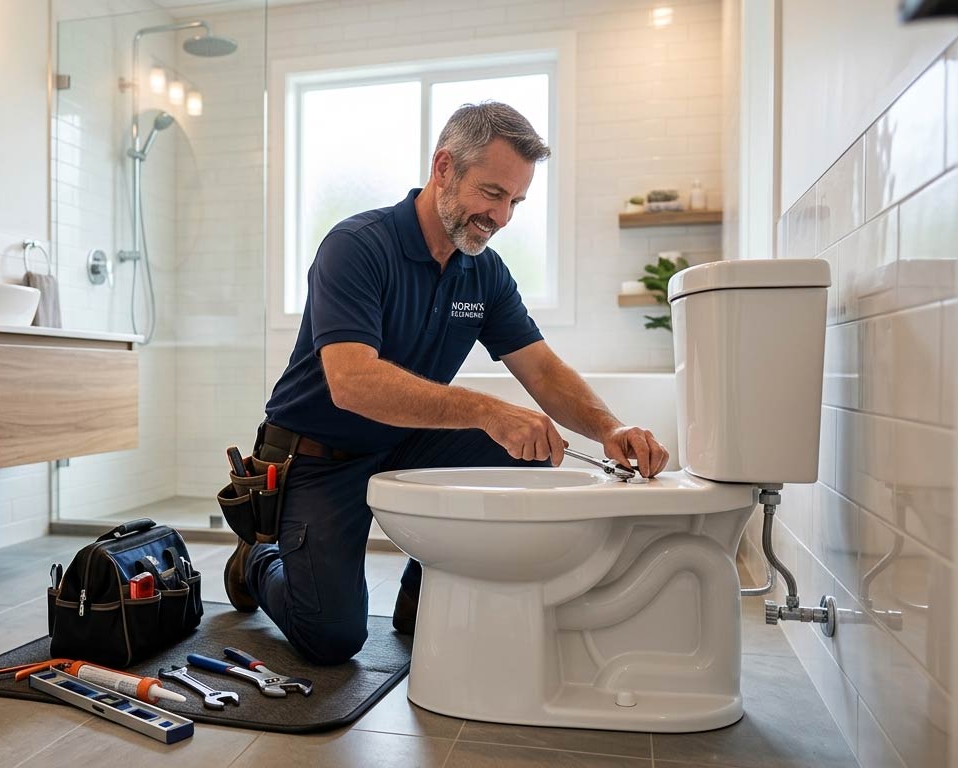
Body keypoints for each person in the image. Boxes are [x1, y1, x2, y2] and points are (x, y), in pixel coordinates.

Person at [227, 101, 669, 665]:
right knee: (332, 639)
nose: (503, 217)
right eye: (492, 193)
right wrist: (487, 410)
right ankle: (257, 560)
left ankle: (424, 594)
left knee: (532, 449)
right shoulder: (358, 246)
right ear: (444, 168)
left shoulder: (482, 268)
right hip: (318, 452)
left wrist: (611, 426)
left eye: (515, 201)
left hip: (401, 441)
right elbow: (353, 384)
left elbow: (540, 369)